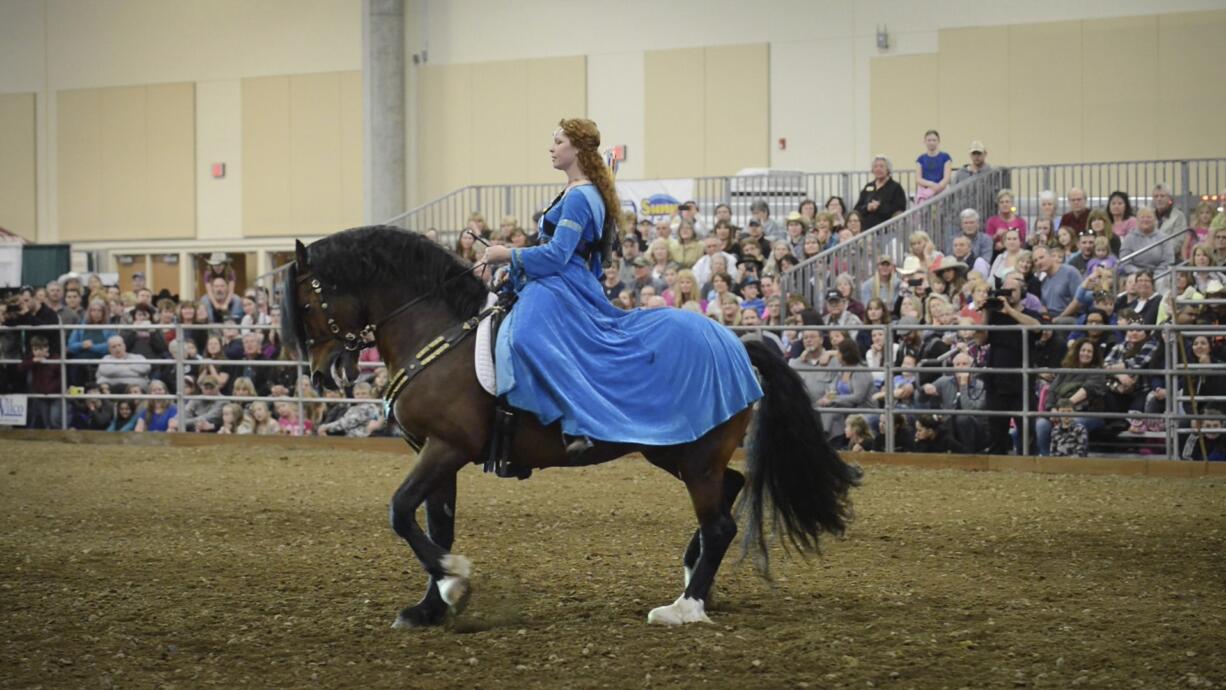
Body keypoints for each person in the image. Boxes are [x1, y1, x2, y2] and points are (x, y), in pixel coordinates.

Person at [480, 118, 762, 454]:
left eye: (558, 141)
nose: (551, 148)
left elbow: (557, 254)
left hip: (561, 282)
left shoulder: (581, 197)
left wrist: (507, 254)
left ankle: (576, 423)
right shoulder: (576, 191)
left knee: (526, 335)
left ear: (578, 148)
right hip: (553, 278)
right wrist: (513, 272)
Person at [984, 273, 1042, 455]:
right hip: (996, 381)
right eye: (1005, 290)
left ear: (1022, 292)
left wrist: (1010, 310)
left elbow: (1037, 327)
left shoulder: (1029, 313)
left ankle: (1029, 466)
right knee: (996, 431)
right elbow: (980, 339)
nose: (1008, 294)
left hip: (1021, 383)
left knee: (1027, 430)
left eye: (1013, 290)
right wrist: (986, 311)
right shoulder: (994, 316)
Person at [17, 336, 61, 429]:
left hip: (56, 396)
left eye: (41, 348)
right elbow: (20, 368)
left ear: (47, 348)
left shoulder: (56, 359)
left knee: (55, 419)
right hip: (41, 396)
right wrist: (33, 361)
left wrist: (52, 389)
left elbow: (62, 378)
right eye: (35, 349)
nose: (38, 352)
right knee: (46, 422)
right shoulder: (32, 359)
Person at [853, 155, 907, 229]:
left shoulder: (895, 187)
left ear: (888, 169)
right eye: (875, 167)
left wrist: (879, 207)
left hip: (887, 229)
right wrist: (867, 208)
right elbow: (857, 208)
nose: (878, 169)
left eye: (881, 166)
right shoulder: (868, 186)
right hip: (866, 229)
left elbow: (899, 210)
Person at [1119, 207, 1177, 276]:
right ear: (1137, 220)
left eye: (1149, 217)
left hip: (1159, 274)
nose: (1145, 220)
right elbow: (1125, 262)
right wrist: (1139, 274)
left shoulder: (1164, 238)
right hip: (1134, 274)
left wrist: (1156, 274)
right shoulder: (1129, 238)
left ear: (1155, 220)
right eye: (1142, 217)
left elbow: (1168, 261)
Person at [914, 130, 953, 202]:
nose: (931, 142)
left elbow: (947, 178)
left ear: (938, 141)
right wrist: (931, 185)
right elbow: (918, 179)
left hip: (942, 192)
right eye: (929, 140)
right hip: (925, 193)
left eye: (934, 140)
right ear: (924, 142)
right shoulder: (920, 159)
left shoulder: (946, 157)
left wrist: (938, 187)